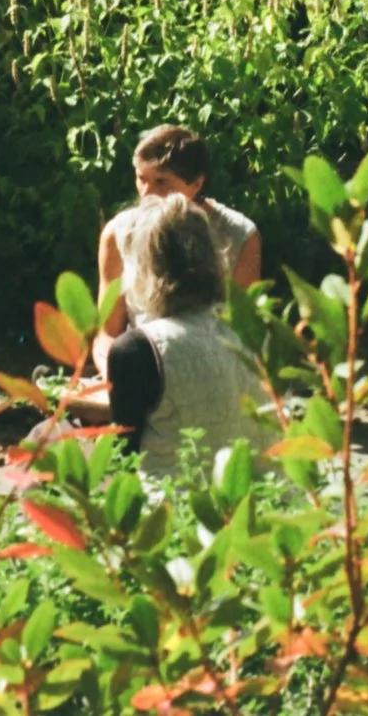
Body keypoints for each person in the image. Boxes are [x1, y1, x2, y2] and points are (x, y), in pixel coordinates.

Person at [99, 196, 274, 477]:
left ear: (145, 267)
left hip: (178, 501)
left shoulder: (137, 350)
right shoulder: (255, 332)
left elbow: (124, 464)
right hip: (265, 496)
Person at [96, 126, 260, 339]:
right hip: (141, 353)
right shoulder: (118, 234)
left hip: (212, 351)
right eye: (142, 179)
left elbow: (244, 331)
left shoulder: (239, 235)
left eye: (161, 182)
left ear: (196, 184)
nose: (147, 193)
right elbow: (107, 334)